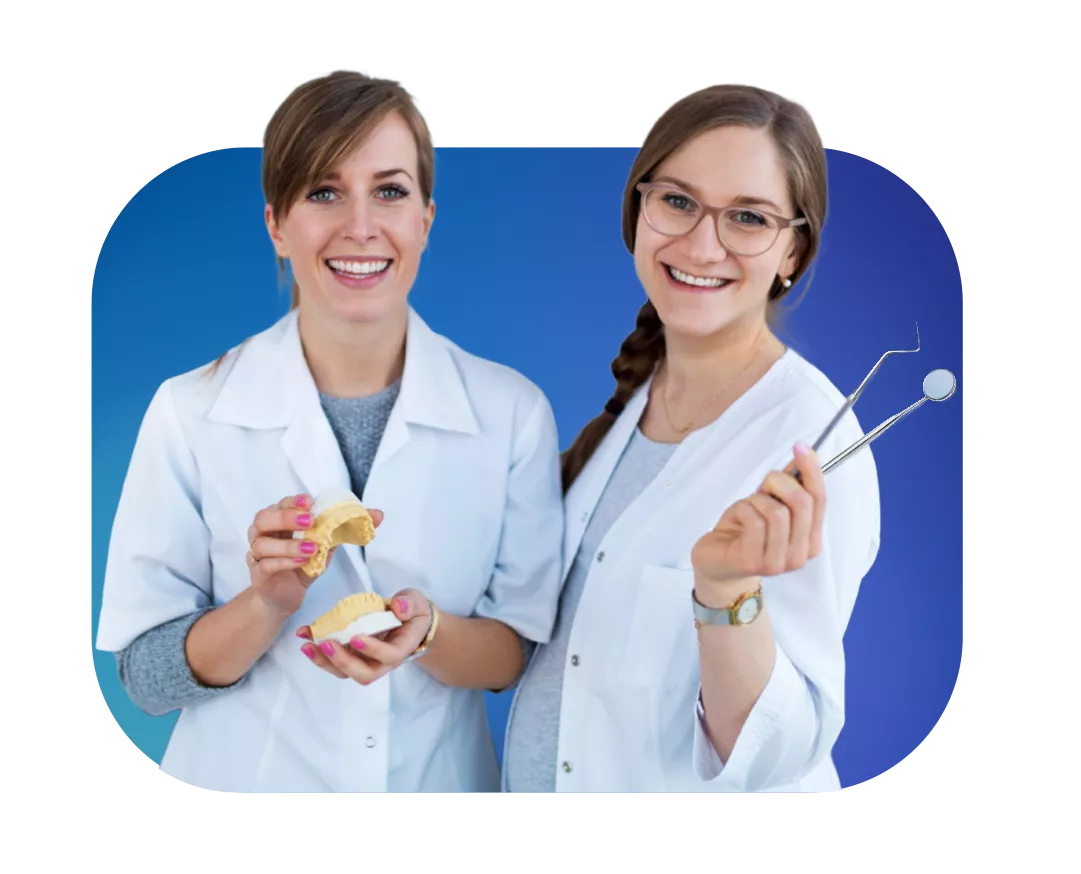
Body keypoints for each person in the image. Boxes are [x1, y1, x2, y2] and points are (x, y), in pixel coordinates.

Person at [94, 68, 565, 793]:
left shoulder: (510, 414)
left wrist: (428, 631)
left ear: (424, 220)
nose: (360, 226)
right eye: (323, 191)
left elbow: (514, 657)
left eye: (389, 190)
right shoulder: (190, 411)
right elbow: (146, 679)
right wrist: (265, 604)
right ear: (277, 224)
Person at [499, 83, 882, 792]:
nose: (701, 244)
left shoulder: (811, 444)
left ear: (792, 251)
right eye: (676, 200)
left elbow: (776, 755)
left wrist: (724, 589)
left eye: (746, 217)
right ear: (638, 210)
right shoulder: (636, 401)